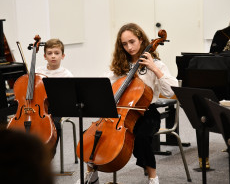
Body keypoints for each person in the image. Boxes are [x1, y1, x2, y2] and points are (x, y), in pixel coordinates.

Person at [83, 23, 178, 184]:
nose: (129, 47)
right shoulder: (121, 65)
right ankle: (92, 175)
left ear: (141, 40)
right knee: (91, 134)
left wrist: (154, 68)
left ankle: (153, 177)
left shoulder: (156, 64)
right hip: (120, 112)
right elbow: (103, 83)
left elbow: (171, 92)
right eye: (124, 44)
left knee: (142, 136)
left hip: (146, 112)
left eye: (132, 42)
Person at [36, 38, 73, 157]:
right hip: (39, 106)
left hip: (58, 108)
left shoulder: (66, 74)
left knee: (55, 125)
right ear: (44, 56)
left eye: (56, 53)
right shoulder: (37, 71)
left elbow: (70, 95)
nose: (53, 56)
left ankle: (48, 156)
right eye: (49, 53)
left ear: (63, 56)